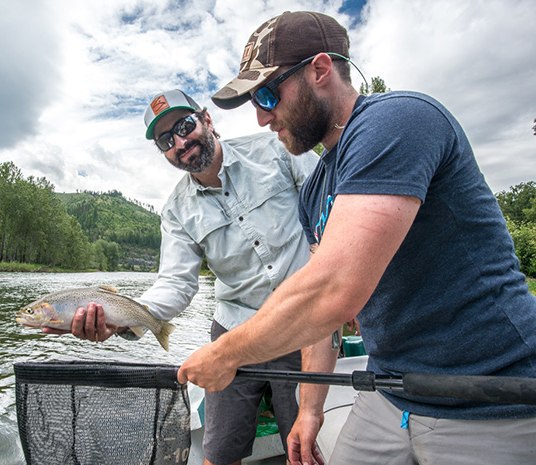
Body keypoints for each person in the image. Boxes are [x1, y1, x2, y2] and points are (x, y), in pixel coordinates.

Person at [177, 10, 536, 465]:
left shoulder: (396, 120)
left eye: (268, 94)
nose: (263, 117)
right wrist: (309, 409)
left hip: (492, 393)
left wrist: (224, 354)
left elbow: (332, 291)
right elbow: (322, 320)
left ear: (321, 70)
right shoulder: (315, 189)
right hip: (390, 390)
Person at [45, 88, 331, 465]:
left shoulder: (278, 151)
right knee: (216, 453)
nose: (181, 142)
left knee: (306, 449)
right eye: (167, 139)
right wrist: (122, 317)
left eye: (184, 125)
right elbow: (176, 284)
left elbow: (332, 214)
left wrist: (344, 294)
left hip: (305, 325)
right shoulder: (176, 212)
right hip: (235, 330)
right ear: (163, 152)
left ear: (206, 120)